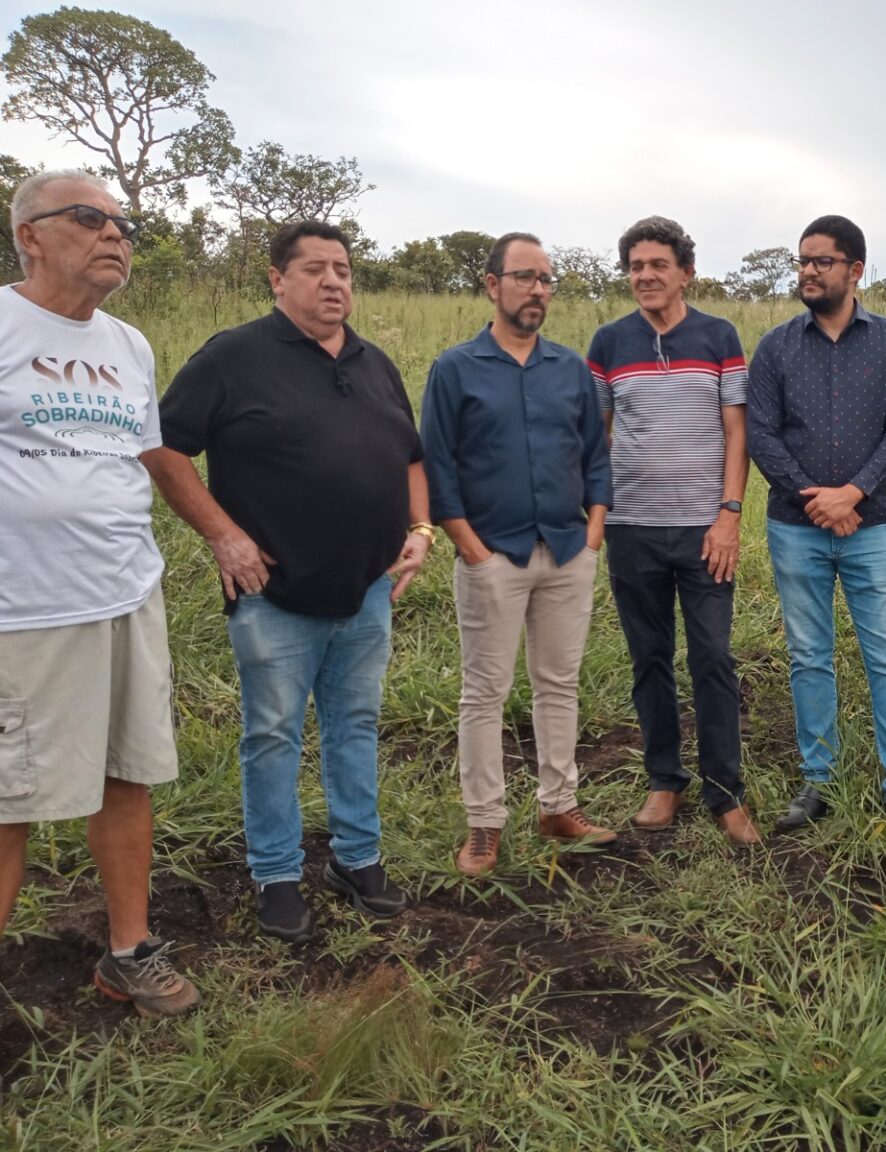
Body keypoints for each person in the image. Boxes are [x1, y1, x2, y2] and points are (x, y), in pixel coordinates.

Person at [145, 221, 426, 942]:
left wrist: (419, 532)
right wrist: (224, 535)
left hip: (365, 589)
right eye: (316, 270)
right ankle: (275, 874)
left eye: (344, 270)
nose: (334, 282)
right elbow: (166, 449)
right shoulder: (232, 357)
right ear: (277, 279)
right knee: (272, 735)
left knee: (355, 726)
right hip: (275, 594)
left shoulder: (374, 362)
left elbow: (410, 458)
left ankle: (355, 858)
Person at [0, 170, 199, 1016]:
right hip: (25, 610)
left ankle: (128, 950)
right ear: (30, 235)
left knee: (129, 775)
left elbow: (140, 460)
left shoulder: (130, 345)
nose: (115, 234)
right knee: (9, 798)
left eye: (124, 223)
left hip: (127, 594)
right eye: (90, 218)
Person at [420, 232, 615, 878]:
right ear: (491, 284)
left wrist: (592, 530)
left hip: (565, 549)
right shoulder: (456, 369)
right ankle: (485, 824)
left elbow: (595, 454)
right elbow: (437, 463)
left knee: (558, 685)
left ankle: (559, 807)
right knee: (485, 690)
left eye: (546, 279)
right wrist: (468, 547)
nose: (538, 290)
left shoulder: (569, 370)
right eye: (525, 277)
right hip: (492, 555)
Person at [746, 215, 886, 841]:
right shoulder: (775, 347)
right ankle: (818, 780)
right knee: (808, 657)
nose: (808, 271)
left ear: (855, 270)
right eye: (802, 260)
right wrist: (813, 498)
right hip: (795, 528)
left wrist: (851, 494)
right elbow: (761, 435)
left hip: (872, 524)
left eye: (822, 261)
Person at [586, 216, 760, 846]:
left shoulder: (718, 336)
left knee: (712, 656)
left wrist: (729, 515)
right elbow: (596, 436)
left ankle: (726, 793)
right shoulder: (609, 343)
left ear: (686, 271)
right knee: (648, 657)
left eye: (658, 265)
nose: (645, 276)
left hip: (703, 530)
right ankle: (665, 781)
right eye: (635, 266)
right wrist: (595, 516)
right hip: (632, 527)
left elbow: (737, 431)